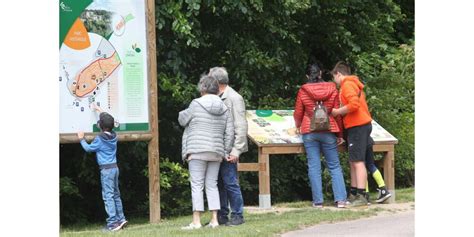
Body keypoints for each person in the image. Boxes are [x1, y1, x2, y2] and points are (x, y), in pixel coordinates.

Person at [179, 75, 234, 230]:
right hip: (216, 151)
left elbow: (183, 120)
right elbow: (229, 133)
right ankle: (214, 220)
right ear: (217, 89)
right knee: (212, 185)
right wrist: (225, 151)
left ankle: (196, 221)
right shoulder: (224, 107)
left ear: (203, 88)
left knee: (197, 185)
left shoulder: (196, 104)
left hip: (197, 149)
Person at [293, 63, 347, 208]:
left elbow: (298, 112)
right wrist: (340, 133)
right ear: (321, 74)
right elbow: (337, 113)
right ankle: (341, 200)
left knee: (314, 166)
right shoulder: (332, 89)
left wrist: (298, 126)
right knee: (334, 166)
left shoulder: (303, 90)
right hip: (329, 130)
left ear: (307, 76)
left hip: (309, 131)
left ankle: (318, 201)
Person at [331, 61, 377, 207]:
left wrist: (338, 111)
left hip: (358, 125)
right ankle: (354, 192)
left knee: (358, 162)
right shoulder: (351, 84)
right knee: (353, 161)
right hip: (358, 126)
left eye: (334, 78)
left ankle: (362, 196)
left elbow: (354, 104)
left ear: (338, 74)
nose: (335, 82)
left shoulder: (347, 85)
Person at [77, 105, 128, 231]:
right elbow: (112, 121)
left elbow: (88, 149)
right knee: (116, 194)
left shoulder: (99, 139)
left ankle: (112, 224)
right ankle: (121, 219)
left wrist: (81, 139)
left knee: (108, 196)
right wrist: (99, 109)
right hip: (115, 168)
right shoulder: (114, 135)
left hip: (106, 170)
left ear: (100, 125)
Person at [208, 67, 248, 226]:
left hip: (230, 149)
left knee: (230, 183)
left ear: (217, 82)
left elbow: (241, 126)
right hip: (217, 149)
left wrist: (236, 150)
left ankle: (238, 215)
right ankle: (221, 216)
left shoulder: (234, 98)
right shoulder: (215, 97)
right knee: (218, 183)